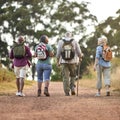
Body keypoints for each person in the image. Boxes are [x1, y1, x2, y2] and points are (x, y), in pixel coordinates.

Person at [56, 32, 82, 96]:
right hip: (73, 61)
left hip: (63, 62)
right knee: (73, 75)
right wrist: (80, 57)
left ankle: (67, 92)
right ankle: (72, 87)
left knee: (65, 77)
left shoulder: (60, 42)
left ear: (65, 36)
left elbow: (58, 52)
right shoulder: (75, 41)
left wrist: (57, 61)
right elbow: (79, 51)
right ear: (71, 36)